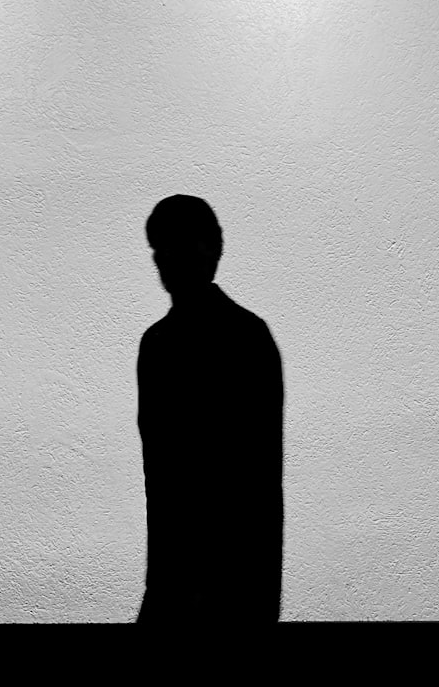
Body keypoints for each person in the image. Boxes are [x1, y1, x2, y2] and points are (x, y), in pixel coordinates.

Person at [136, 194, 284, 623]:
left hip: (227, 587)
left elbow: (254, 479)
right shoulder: (158, 345)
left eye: (180, 244)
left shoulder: (245, 339)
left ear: (213, 248)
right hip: (180, 582)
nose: (168, 259)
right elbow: (162, 478)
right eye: (161, 248)